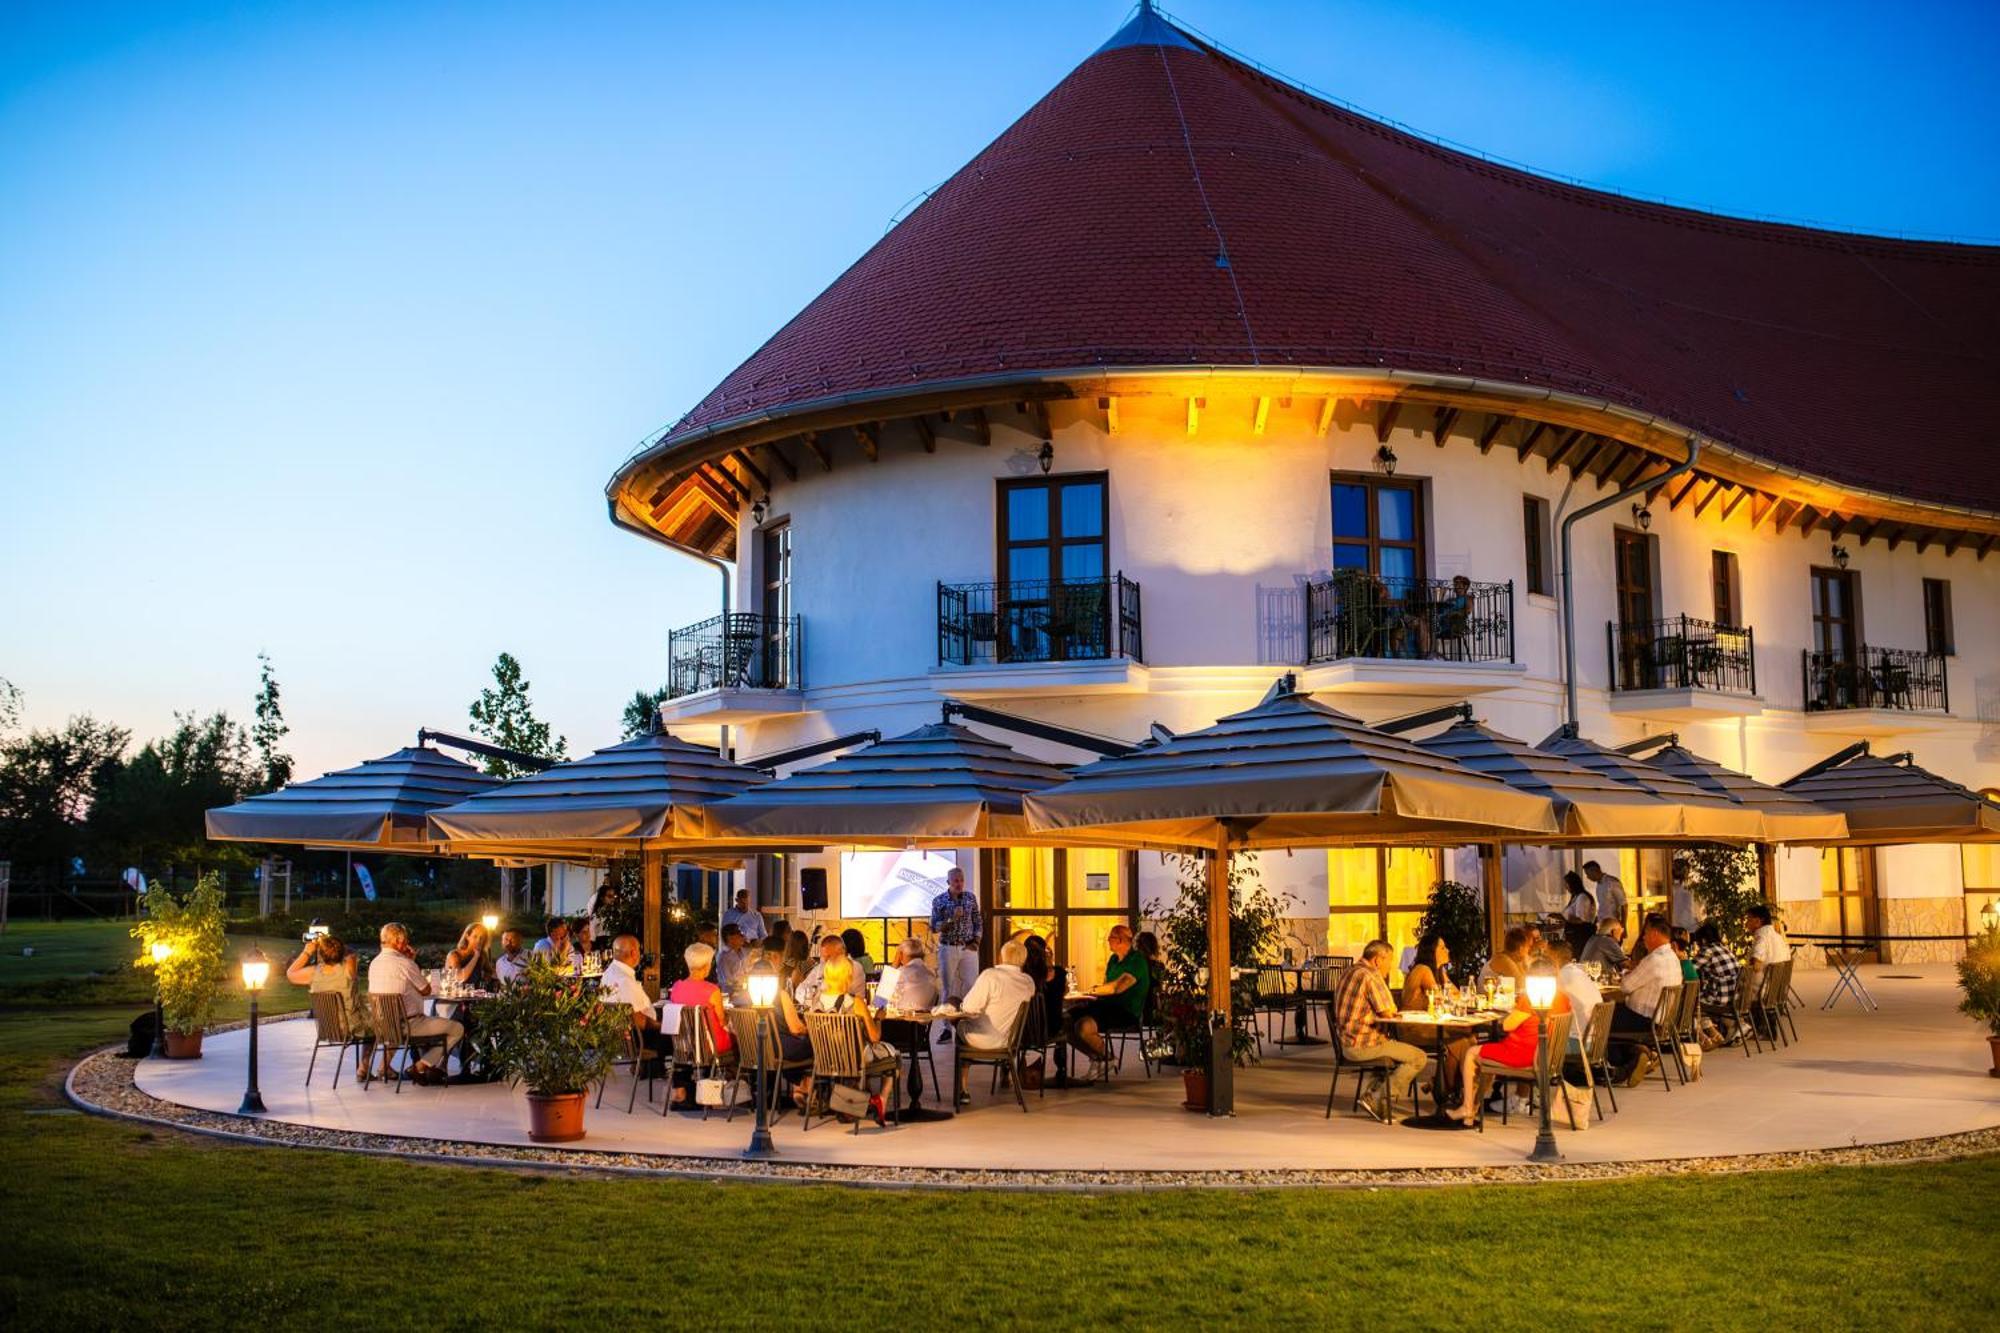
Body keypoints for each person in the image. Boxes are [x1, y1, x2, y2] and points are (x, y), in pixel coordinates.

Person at [1445, 981, 1567, 1124]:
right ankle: (1472, 1111)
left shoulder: (1531, 998)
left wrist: (1516, 1009)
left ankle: (1467, 1107)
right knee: (1486, 1053)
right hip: (1545, 1056)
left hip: (1523, 1054)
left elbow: (1508, 1025)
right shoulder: (1562, 998)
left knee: (1472, 1053)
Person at [1332, 940, 1427, 1117]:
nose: (1390, 966)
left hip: (1346, 1042)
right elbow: (1388, 1012)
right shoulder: (1370, 976)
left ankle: (1371, 1094)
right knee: (1418, 1057)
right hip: (1363, 1045)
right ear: (1377, 960)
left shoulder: (1350, 971)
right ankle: (1379, 1100)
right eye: (1389, 961)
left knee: (1393, 1047)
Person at [366, 923, 462, 1085]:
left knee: (396, 1022)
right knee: (457, 1028)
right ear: (399, 940)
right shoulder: (405, 964)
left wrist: (409, 961)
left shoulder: (374, 963)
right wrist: (411, 962)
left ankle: (384, 1068)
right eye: (406, 939)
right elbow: (426, 990)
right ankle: (420, 1065)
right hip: (408, 1025)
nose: (407, 942)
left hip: (383, 1024)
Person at [953, 938, 1037, 1104]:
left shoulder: (990, 976)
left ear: (1001, 956)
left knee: (957, 1016)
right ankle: (1005, 1071)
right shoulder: (1028, 981)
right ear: (1023, 959)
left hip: (982, 1039)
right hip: (1009, 1041)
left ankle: (963, 1088)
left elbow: (969, 1007)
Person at [285, 931, 372, 1079]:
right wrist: (331, 943)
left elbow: (290, 973)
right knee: (376, 1027)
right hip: (351, 1028)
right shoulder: (349, 969)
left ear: (321, 953)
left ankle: (363, 1068)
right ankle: (363, 1067)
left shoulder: (313, 973)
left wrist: (307, 951)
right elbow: (351, 952)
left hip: (327, 1029)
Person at [1067, 924, 1150, 1071]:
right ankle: (1098, 1057)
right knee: (1068, 1019)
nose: (1108, 940)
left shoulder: (1136, 961)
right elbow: (1107, 986)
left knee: (1083, 1025)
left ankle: (1105, 1058)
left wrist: (1092, 991)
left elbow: (1116, 987)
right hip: (1107, 1006)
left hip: (1126, 1011)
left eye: (1110, 937)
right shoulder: (1113, 960)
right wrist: (1094, 993)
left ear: (1120, 940)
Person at [1608, 918, 1681, 1084]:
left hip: (1645, 1019)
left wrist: (1626, 976)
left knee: (1601, 1019)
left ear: (1654, 934)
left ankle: (1628, 1062)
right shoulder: (1672, 957)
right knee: (1614, 1013)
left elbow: (1626, 987)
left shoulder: (1654, 960)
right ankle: (1638, 1053)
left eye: (1646, 933)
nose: (1643, 938)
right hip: (1663, 1019)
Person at [665, 942, 735, 1106]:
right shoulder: (712, 990)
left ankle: (681, 1090)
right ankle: (727, 1088)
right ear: (706, 966)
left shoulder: (676, 988)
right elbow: (722, 1020)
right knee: (738, 1041)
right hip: (709, 1046)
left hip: (683, 1045)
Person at [598, 934, 666, 1066]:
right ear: (634, 952)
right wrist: (662, 1025)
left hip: (615, 1037)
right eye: (639, 950)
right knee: (675, 1038)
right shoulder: (625, 980)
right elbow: (639, 1021)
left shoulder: (608, 974)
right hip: (634, 1039)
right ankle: (682, 1081)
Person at [929, 867, 982, 1017]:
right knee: (948, 987)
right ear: (948, 882)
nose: (959, 884)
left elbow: (978, 920)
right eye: (956, 880)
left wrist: (976, 941)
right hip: (948, 947)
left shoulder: (970, 898)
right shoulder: (939, 901)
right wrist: (952, 918)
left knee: (971, 985)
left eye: (962, 880)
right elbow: (934, 927)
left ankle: (968, 1020)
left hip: (968, 947)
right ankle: (946, 1027)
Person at [1549, 939, 1600, 1065]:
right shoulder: (1579, 973)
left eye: (1546, 954)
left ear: (1554, 956)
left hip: (1578, 1043)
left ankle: (1529, 1078)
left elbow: (1545, 1006)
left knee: (1533, 1044)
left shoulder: (1561, 978)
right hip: (1596, 1041)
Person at [795, 933, 866, 1008]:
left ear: (841, 953)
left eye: (829, 956)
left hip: (847, 1015)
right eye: (823, 957)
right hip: (819, 1015)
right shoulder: (821, 967)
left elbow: (842, 995)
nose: (825, 960)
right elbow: (800, 990)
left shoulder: (853, 967)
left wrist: (816, 997)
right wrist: (810, 996)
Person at [1691, 922, 1742, 1028]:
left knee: (1690, 1001)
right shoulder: (1724, 948)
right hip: (1734, 996)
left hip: (1719, 998)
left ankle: (1703, 1033)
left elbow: (1690, 969)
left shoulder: (1708, 950)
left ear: (1703, 940)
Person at [1743, 904, 1791, 998]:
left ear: (1758, 921)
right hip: (1777, 992)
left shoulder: (1762, 938)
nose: (1746, 924)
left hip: (1761, 993)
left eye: (1749, 919)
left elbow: (1756, 966)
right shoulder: (1779, 938)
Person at [1401, 933, 1455, 1012]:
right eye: (1442, 948)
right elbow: (1439, 998)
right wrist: (1450, 997)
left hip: (1426, 1018)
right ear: (1431, 951)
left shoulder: (1440, 970)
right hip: (1413, 1020)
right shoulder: (1423, 969)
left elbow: (1457, 994)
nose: (1447, 950)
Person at [443, 923, 493, 989]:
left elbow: (489, 971)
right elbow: (460, 977)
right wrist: (475, 957)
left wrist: (485, 980)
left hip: (474, 995)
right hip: (455, 995)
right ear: (467, 936)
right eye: (475, 936)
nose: (478, 941)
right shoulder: (454, 955)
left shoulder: (482, 955)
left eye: (481, 938)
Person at [1560, 870, 1596, 956]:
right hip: (1575, 934)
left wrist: (1564, 918)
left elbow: (1581, 919)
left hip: (1580, 935)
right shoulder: (1575, 897)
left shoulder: (1582, 898)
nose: (1566, 888)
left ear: (1572, 884)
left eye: (1567, 885)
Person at [1582, 860, 1626, 930]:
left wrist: (1623, 926)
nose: (1587, 877)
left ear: (1595, 870)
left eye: (1588, 874)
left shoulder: (1612, 882)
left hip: (1613, 924)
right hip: (1602, 923)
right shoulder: (1599, 885)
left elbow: (1623, 904)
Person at [715, 923, 751, 997]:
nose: (743, 937)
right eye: (739, 936)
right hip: (731, 995)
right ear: (730, 938)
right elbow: (725, 980)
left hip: (746, 992)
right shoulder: (724, 957)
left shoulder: (745, 952)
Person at [1669, 856, 1701, 931]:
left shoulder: (1672, 889)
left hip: (1678, 928)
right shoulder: (1688, 891)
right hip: (1686, 929)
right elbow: (1693, 915)